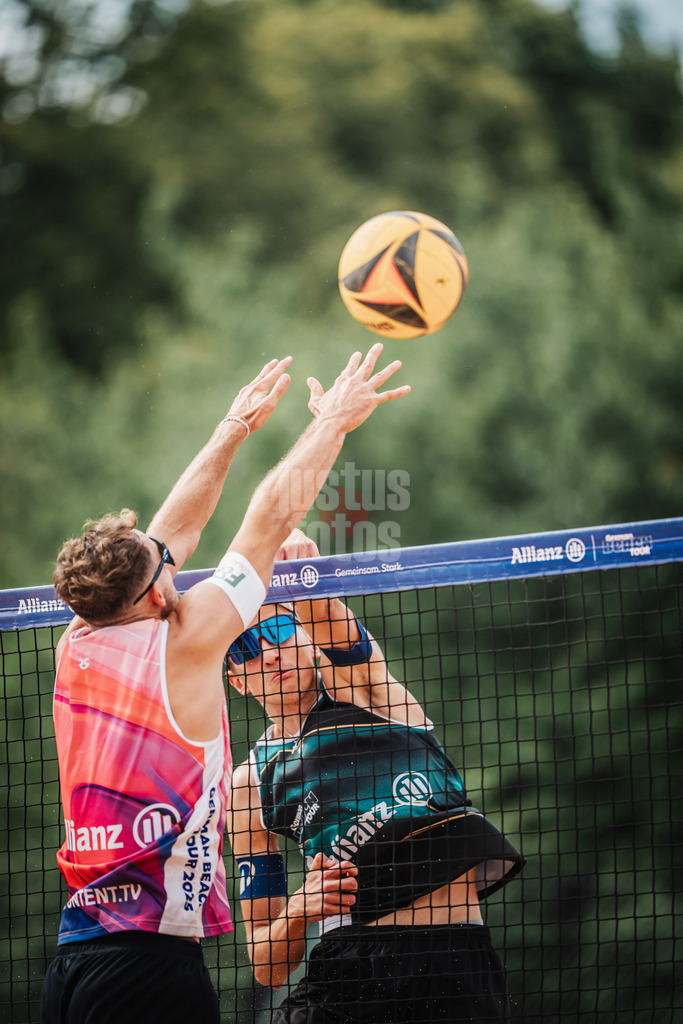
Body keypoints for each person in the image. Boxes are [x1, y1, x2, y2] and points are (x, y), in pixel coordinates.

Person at [41, 345, 410, 1024]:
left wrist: (231, 429)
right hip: (144, 971)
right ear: (153, 597)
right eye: (166, 568)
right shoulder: (184, 643)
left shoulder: (79, 637)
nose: (175, 560)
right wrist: (330, 422)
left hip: (73, 961)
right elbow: (269, 518)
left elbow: (171, 531)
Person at [226, 531, 525, 1024]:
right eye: (247, 649)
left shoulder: (370, 695)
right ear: (236, 680)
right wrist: (300, 909)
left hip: (453, 964)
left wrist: (301, 573)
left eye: (279, 632)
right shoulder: (249, 783)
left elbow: (332, 623)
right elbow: (266, 966)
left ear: (307, 638)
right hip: (347, 968)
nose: (270, 655)